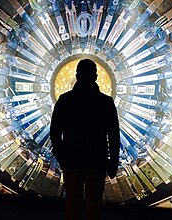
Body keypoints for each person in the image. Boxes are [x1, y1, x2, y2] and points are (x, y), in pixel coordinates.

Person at [50, 59, 120, 220]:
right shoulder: (106, 102)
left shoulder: (65, 100)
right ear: (95, 76)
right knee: (94, 207)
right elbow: (113, 135)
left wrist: (62, 158)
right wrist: (112, 163)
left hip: (72, 161)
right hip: (97, 162)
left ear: (76, 76)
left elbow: (55, 132)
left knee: (73, 206)